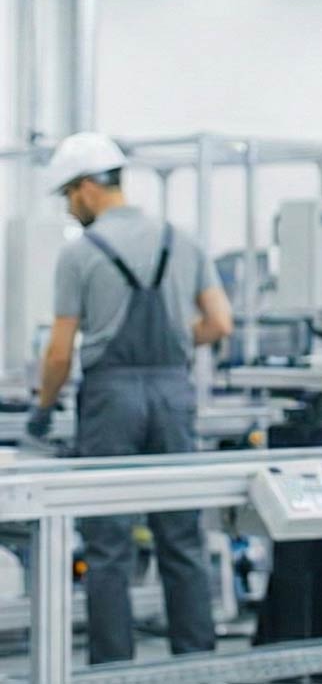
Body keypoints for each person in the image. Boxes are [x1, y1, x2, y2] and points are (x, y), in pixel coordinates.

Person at [27, 132, 234, 665]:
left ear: (89, 188)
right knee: (182, 539)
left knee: (108, 545)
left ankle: (112, 670)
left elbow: (58, 353)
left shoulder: (79, 254)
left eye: (69, 195)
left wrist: (43, 411)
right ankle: (197, 665)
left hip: (110, 399)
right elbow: (220, 322)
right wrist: (177, 341)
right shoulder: (180, 240)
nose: (71, 208)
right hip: (171, 394)